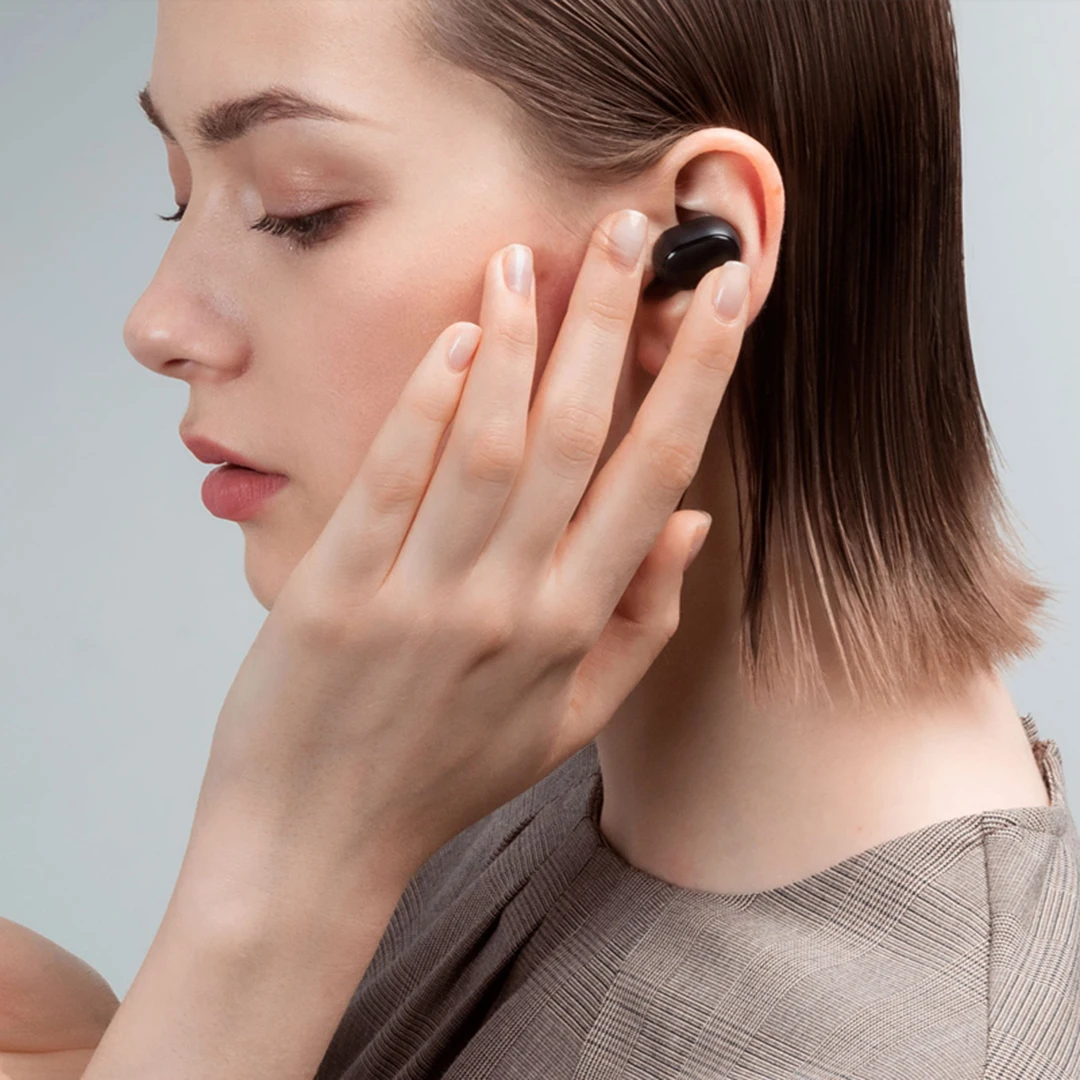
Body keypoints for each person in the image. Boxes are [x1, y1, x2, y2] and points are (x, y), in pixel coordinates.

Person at [3, 0, 1077, 1078]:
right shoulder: (459, 758)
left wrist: (278, 881)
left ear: (694, 255)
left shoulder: (929, 1050)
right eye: (179, 196)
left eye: (299, 208)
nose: (156, 323)